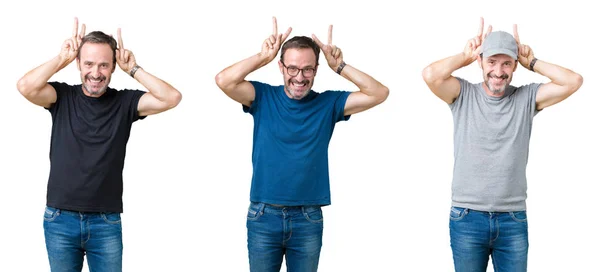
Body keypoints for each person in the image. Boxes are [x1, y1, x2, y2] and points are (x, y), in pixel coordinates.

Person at [215, 17, 389, 271]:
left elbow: (379, 93)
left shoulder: (328, 103)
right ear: (282, 68)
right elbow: (224, 80)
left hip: (307, 218)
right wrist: (261, 57)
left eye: (307, 69)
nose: (299, 77)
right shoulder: (262, 97)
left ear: (317, 69)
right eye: (293, 68)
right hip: (264, 216)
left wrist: (340, 66)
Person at [16, 17, 182, 271]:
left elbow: (171, 98)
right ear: (78, 65)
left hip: (105, 222)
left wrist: (134, 69)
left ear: (114, 67)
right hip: (60, 219)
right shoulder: (62, 97)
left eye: (104, 65)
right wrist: (60, 59)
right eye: (89, 63)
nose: (96, 73)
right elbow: (25, 86)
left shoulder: (125, 103)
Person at [422, 18, 583, 272]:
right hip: (467, 217)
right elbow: (430, 75)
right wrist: (465, 56)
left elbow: (573, 81)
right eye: (492, 62)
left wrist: (534, 62)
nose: (498, 71)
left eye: (507, 63)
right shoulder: (462, 94)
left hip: (512, 219)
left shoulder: (526, 97)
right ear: (481, 62)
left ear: (515, 66)